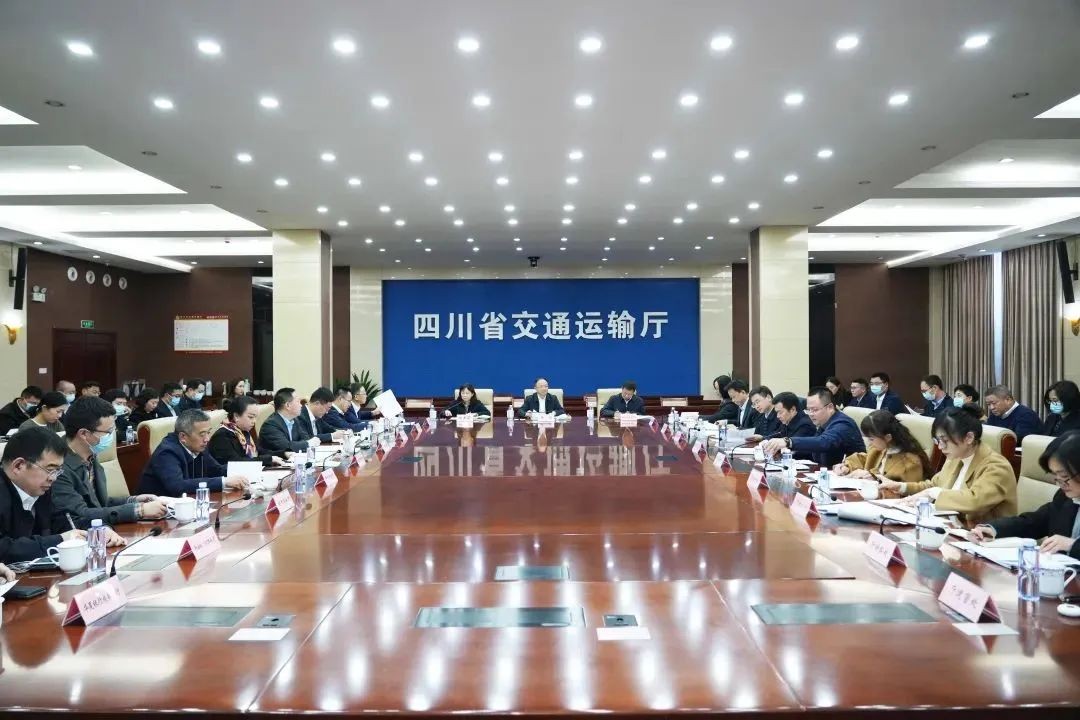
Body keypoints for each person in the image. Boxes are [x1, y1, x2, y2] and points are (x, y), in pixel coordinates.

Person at [52, 397, 168, 527]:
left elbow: (99, 503)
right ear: (84, 433)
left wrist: (134, 501)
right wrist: (139, 511)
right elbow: (79, 515)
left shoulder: (90, 455)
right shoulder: (57, 467)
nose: (112, 436)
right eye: (108, 432)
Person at [896, 405, 1017, 525]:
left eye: (945, 441)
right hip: (949, 527)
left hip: (982, 533)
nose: (940, 447)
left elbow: (975, 501)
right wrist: (900, 487)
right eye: (937, 441)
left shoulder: (996, 466)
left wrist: (934, 493)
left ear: (969, 438)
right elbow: (934, 485)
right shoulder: (956, 457)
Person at [969, 431, 1080, 559]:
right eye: (1055, 476)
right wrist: (993, 529)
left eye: (1064, 476)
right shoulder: (1064, 497)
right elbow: (1032, 523)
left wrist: (1072, 545)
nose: (1060, 484)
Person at [0, 428, 92, 563]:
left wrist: (97, 530)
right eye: (50, 470)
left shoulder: (40, 489)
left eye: (57, 471)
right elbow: (4, 550)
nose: (53, 478)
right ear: (18, 466)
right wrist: (60, 540)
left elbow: (63, 521)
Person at [138, 409, 249, 496]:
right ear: (183, 436)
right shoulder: (167, 452)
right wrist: (224, 482)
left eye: (208, 433)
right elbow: (178, 486)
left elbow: (217, 470)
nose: (207, 439)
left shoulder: (198, 445)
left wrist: (250, 470)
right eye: (202, 434)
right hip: (155, 511)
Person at [762, 388, 864, 468]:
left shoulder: (842, 424)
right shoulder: (824, 424)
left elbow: (824, 442)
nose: (810, 414)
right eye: (808, 410)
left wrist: (788, 442)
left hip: (851, 478)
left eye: (814, 410)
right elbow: (813, 450)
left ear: (830, 407)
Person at [835, 410, 932, 490]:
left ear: (888, 437)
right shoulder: (879, 449)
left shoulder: (911, 461)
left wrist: (875, 479)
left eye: (871, 439)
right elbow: (863, 459)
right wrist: (846, 466)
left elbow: (906, 489)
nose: (869, 443)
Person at [209, 395, 291, 468]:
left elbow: (258, 452)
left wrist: (284, 454)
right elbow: (235, 463)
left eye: (255, 417)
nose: (254, 421)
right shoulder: (222, 436)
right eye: (251, 417)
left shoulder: (243, 431)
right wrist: (268, 459)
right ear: (236, 416)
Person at [258, 387, 332, 455]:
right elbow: (286, 447)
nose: (301, 405)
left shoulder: (294, 420)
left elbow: (306, 438)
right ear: (288, 405)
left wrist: (302, 444)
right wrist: (307, 444)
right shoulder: (271, 425)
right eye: (298, 402)